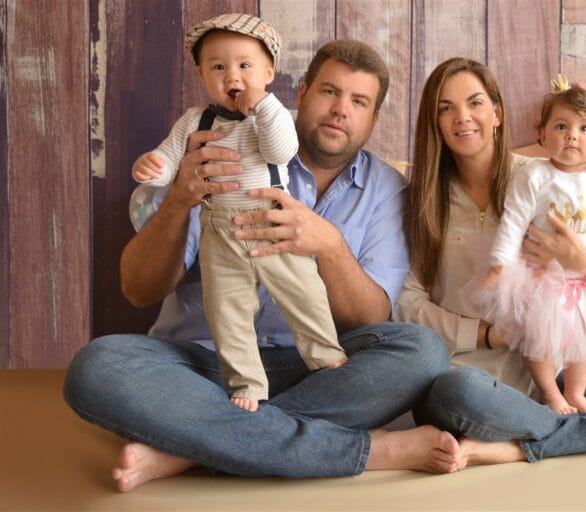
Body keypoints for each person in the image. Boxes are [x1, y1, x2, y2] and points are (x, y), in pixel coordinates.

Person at [64, 39, 463, 492]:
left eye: (359, 101)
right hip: (201, 365)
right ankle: (367, 452)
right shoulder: (224, 142)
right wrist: (178, 199)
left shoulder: (387, 189)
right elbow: (139, 289)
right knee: (97, 368)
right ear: (302, 93)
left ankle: (191, 450)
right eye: (330, 92)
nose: (340, 111)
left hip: (316, 371)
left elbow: (369, 316)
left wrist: (328, 245)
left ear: (373, 118)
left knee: (423, 352)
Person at [395, 57, 586, 469]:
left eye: (475, 103)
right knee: (459, 392)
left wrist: (585, 260)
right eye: (445, 107)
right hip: (465, 382)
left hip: (545, 382)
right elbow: (406, 303)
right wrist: (486, 335)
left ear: (497, 113)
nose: (463, 117)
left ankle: (517, 445)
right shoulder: (420, 201)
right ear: (433, 120)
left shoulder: (548, 176)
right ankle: (559, 435)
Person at [132, 13, 347, 412]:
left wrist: (262, 107)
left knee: (303, 290)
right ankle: (245, 382)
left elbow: (281, 151)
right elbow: (168, 155)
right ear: (202, 74)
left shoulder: (274, 115)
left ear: (268, 72)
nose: (233, 76)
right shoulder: (196, 121)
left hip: (270, 221)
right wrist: (153, 166)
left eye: (245, 66)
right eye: (218, 67)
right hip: (219, 228)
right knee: (226, 309)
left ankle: (323, 352)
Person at [470, 75, 586, 414]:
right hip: (543, 278)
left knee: (585, 343)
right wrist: (501, 262)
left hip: (585, 281)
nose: (572, 135)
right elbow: (514, 219)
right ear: (542, 135)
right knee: (540, 341)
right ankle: (549, 393)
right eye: (561, 126)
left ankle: (575, 392)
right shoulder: (535, 175)